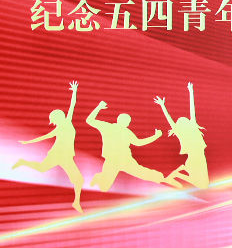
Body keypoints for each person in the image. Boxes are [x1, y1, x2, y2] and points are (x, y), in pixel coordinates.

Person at [13, 81, 85, 212]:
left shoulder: (68, 122)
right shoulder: (60, 127)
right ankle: (23, 162)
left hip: (67, 156)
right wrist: (27, 143)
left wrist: (74, 91)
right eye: (59, 115)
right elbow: (44, 137)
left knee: (78, 179)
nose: (63, 114)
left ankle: (76, 203)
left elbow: (72, 105)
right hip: (57, 154)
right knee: (42, 168)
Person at [86, 101, 174, 191]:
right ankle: (99, 177)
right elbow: (89, 120)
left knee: (141, 172)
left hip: (125, 160)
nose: (128, 123)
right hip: (112, 161)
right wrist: (156, 136)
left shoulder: (125, 131)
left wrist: (155, 136)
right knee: (104, 187)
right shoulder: (108, 127)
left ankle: (161, 177)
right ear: (121, 121)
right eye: (128, 121)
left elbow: (138, 143)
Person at [153, 82, 209, 189]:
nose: (186, 118)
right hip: (196, 158)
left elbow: (173, 119)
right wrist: (191, 92)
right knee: (203, 185)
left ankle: (179, 172)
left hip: (197, 158)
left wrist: (163, 105)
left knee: (202, 184)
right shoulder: (190, 128)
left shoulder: (184, 130)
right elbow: (192, 110)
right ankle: (179, 173)